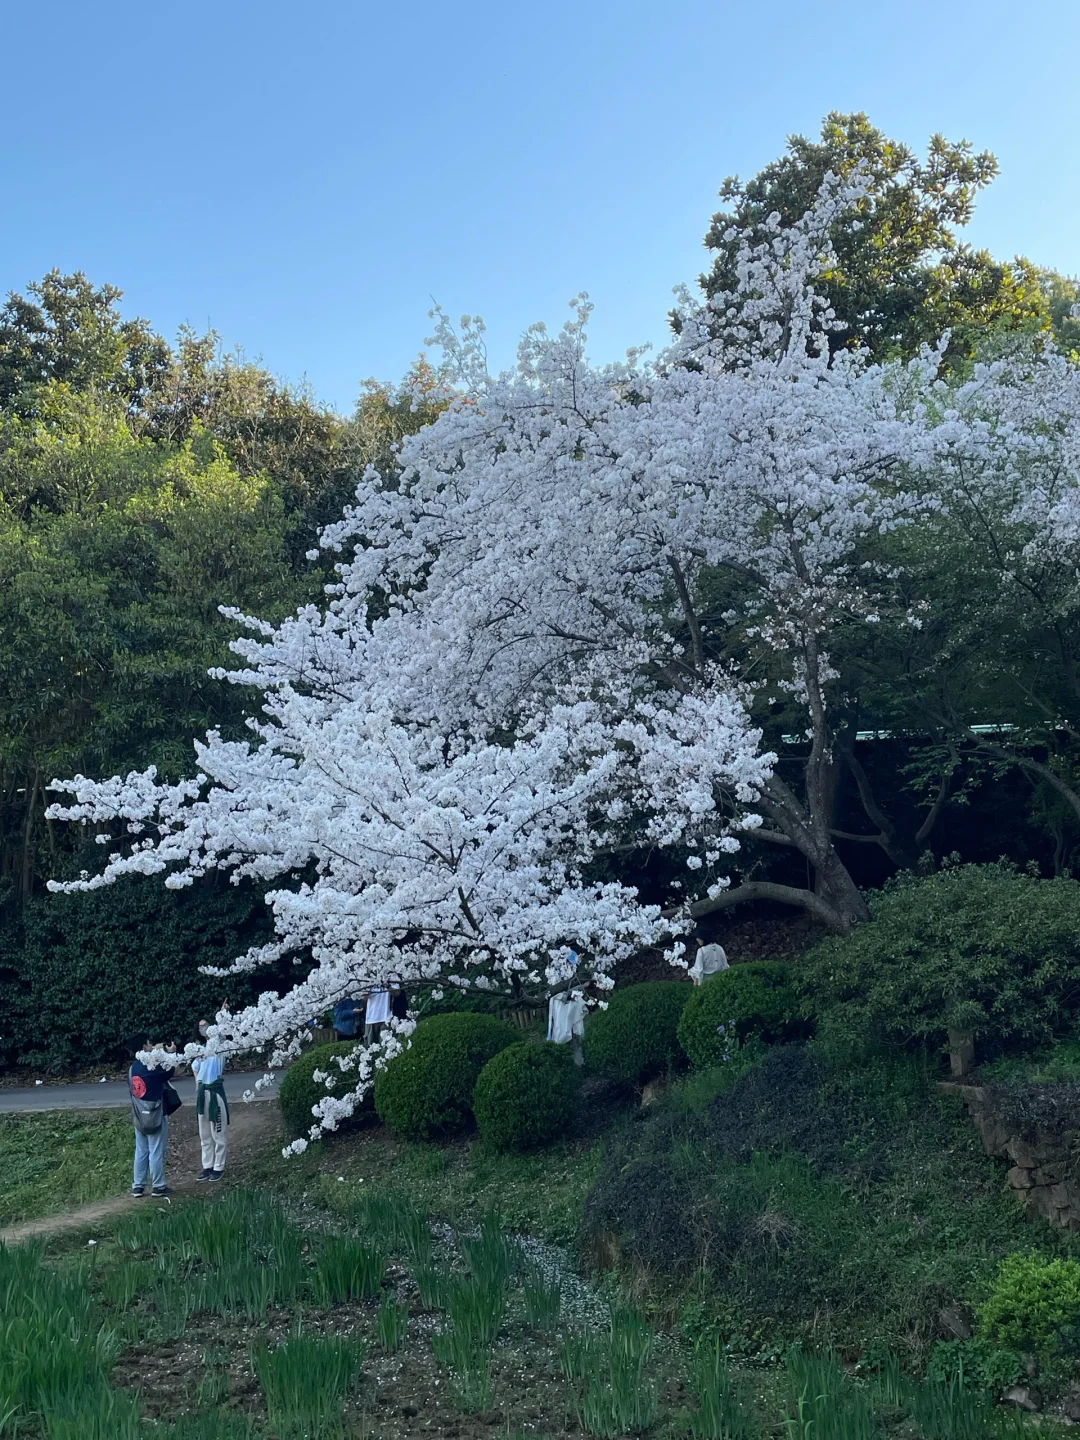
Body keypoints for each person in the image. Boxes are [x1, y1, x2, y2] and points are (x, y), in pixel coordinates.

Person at [128, 1034, 176, 1198]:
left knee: (141, 1151)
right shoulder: (151, 1067)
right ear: (144, 1047)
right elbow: (169, 1072)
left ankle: (138, 1186)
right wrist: (170, 1054)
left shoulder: (133, 1068)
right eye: (150, 1044)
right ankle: (158, 1186)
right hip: (155, 1114)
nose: (152, 1046)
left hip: (138, 1115)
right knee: (156, 1150)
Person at [191, 1020, 229, 1183]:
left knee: (218, 1131)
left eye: (206, 1025)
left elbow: (223, 1032)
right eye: (201, 1027)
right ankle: (207, 1165)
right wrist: (197, 1083)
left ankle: (218, 1166)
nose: (204, 1028)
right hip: (203, 1093)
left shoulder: (219, 1047)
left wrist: (223, 1013)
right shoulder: (201, 1050)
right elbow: (195, 1067)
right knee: (204, 1133)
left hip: (215, 1092)